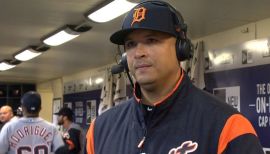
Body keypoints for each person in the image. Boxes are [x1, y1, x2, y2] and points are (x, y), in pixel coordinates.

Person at [86, 1, 264, 154]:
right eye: (131, 44)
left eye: (152, 40)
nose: (138, 53)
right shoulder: (100, 129)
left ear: (181, 48)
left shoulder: (227, 127)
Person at [0, 91, 66, 154]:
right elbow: (62, 151)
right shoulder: (52, 128)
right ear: (40, 108)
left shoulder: (9, 127)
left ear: (22, 108)